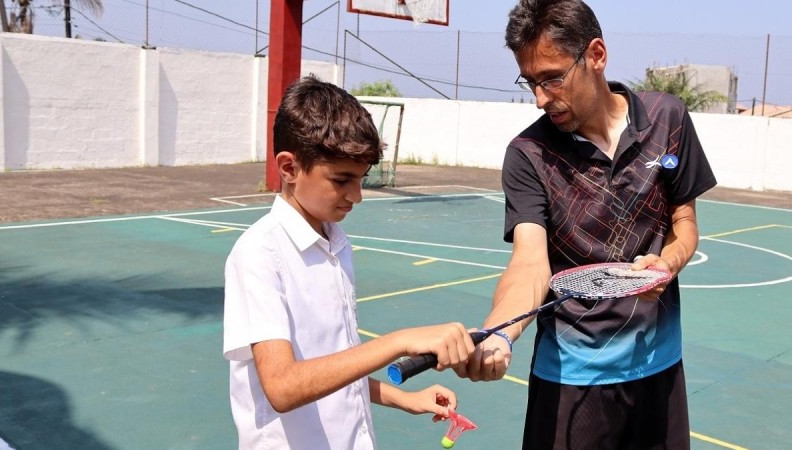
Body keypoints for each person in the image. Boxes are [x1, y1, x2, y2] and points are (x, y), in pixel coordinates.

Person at [457, 1, 718, 449]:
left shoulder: (668, 118)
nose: (541, 98)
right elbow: (529, 264)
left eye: (553, 77)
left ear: (596, 55)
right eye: (531, 82)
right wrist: (500, 331)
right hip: (571, 380)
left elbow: (684, 220)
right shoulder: (528, 155)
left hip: (660, 367)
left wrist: (667, 263)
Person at [222, 76, 475, 449]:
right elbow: (283, 386)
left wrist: (403, 398)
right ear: (289, 168)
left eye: (361, 179)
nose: (356, 196)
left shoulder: (335, 242)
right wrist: (400, 341)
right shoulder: (261, 253)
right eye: (342, 180)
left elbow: (330, 366)